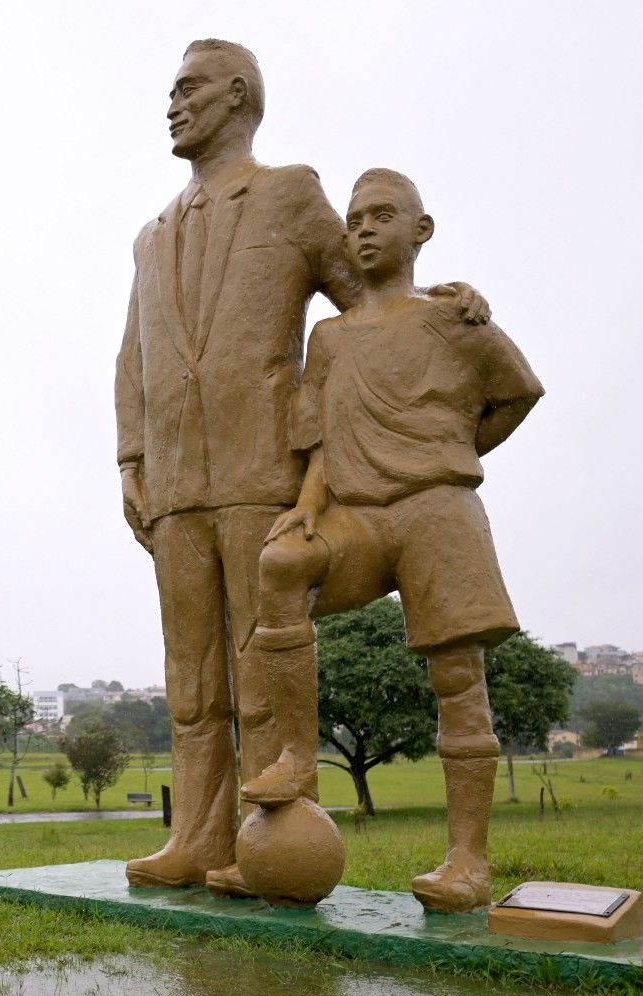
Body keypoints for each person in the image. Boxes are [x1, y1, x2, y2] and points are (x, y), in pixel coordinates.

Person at [115, 39, 486, 894]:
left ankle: (276, 845)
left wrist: (442, 304)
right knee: (191, 673)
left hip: (260, 469)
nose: (172, 105)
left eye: (188, 89)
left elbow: (367, 301)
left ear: (237, 95)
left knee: (260, 661)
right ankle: (198, 839)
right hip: (173, 479)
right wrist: (131, 454)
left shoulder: (290, 194)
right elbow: (132, 353)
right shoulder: (150, 235)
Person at [243, 168, 543, 913]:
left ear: (422, 230)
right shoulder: (331, 336)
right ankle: (297, 759)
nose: (364, 230)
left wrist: (453, 451)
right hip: (357, 516)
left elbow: (520, 393)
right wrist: (309, 504)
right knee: (282, 564)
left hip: (439, 512)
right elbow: (317, 440)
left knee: (457, 680)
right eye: (354, 220)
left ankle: (467, 862)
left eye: (382, 215)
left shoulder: (453, 319)